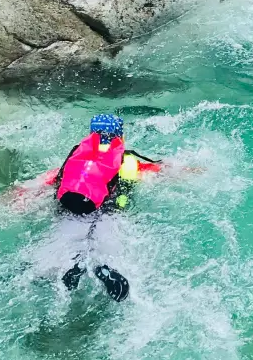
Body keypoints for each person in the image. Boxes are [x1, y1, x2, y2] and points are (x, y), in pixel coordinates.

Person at [10, 113, 162, 300]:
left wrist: (16, 195)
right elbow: (159, 171)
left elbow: (45, 181)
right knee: (109, 243)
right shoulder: (128, 162)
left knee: (60, 242)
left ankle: (51, 268)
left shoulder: (78, 159)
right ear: (120, 136)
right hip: (109, 212)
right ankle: (104, 266)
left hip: (72, 210)